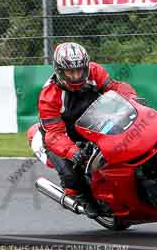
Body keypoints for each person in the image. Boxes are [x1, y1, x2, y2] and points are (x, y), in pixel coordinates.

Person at [27, 42, 138, 217]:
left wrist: (132, 99)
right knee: (71, 175)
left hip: (93, 124)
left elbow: (115, 88)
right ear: (59, 71)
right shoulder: (49, 96)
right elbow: (54, 134)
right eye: (70, 72)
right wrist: (72, 151)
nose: (76, 76)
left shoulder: (95, 72)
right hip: (60, 137)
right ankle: (84, 199)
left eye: (79, 70)